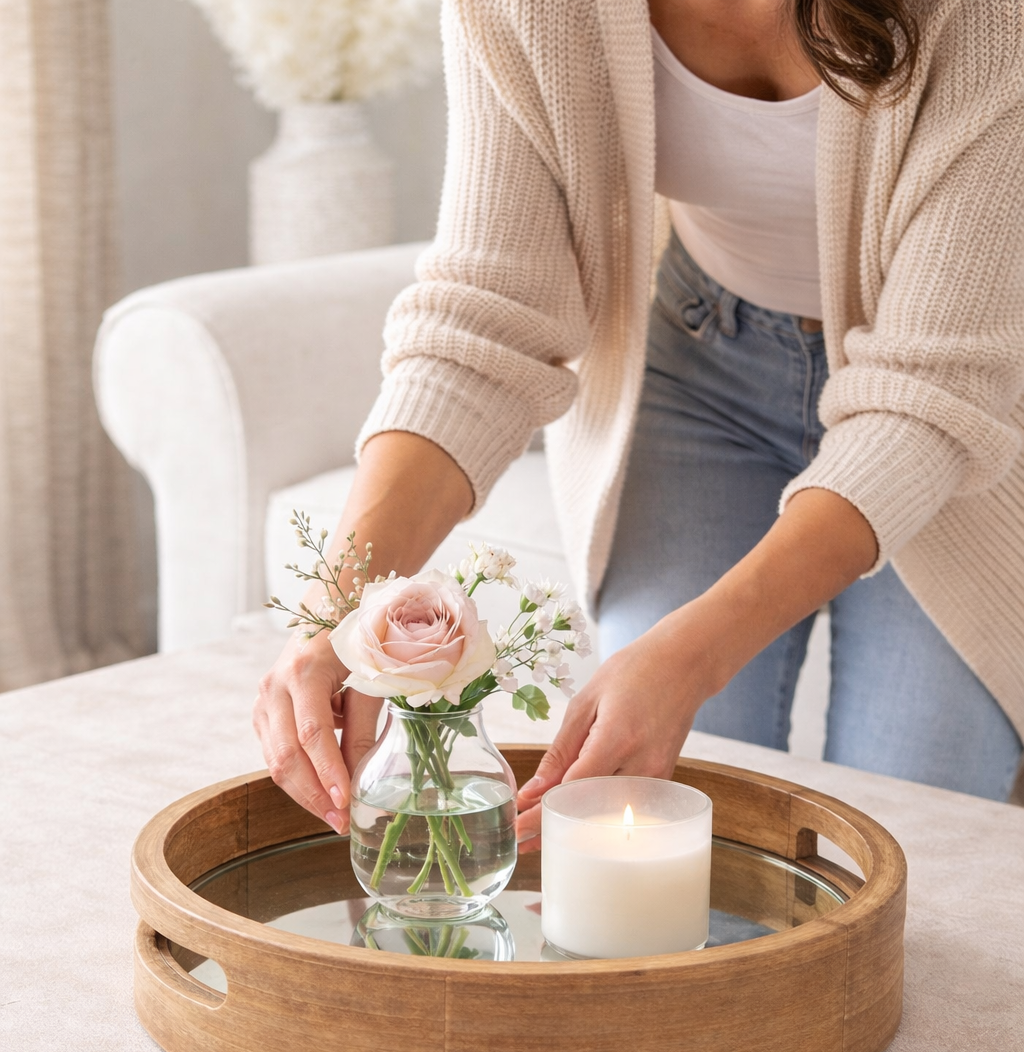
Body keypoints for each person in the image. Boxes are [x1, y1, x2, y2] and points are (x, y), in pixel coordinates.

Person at [254, 0, 1024, 845]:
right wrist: (337, 610)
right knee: (651, 818)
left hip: (976, 415)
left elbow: (929, 393)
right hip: (703, 365)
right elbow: (484, 320)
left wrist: (692, 656)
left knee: (907, 827)